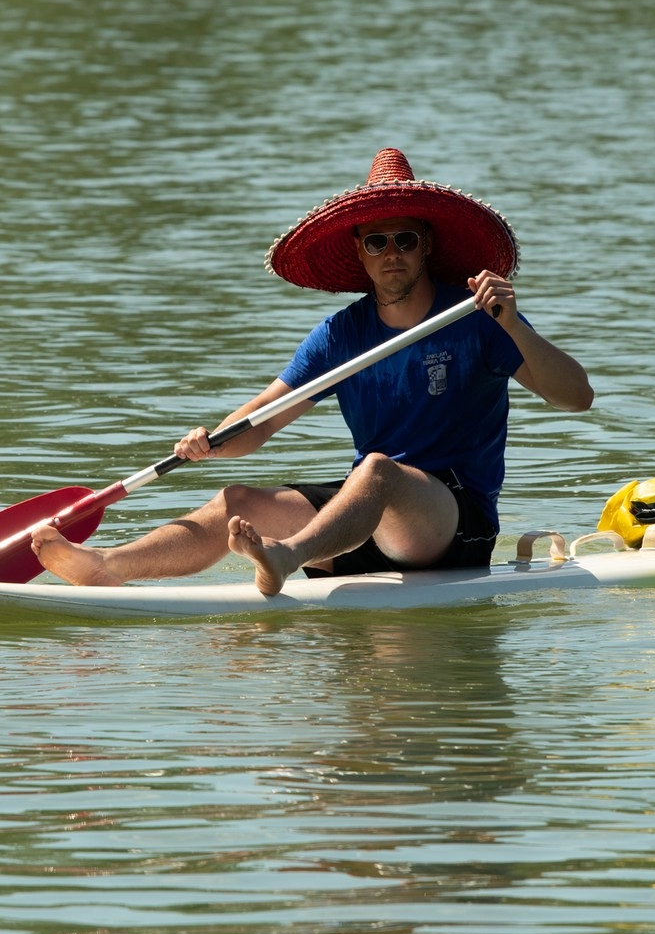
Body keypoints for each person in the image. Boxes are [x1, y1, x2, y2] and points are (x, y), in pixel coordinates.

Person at [30, 148, 594, 597]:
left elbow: (577, 397)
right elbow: (263, 420)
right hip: (366, 520)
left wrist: (515, 325)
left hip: (451, 522)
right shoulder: (341, 335)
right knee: (235, 500)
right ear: (360, 252)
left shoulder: (476, 317)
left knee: (376, 470)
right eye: (378, 241)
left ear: (425, 247)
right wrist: (210, 441)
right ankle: (105, 567)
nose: (391, 252)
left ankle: (284, 556)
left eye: (405, 239)